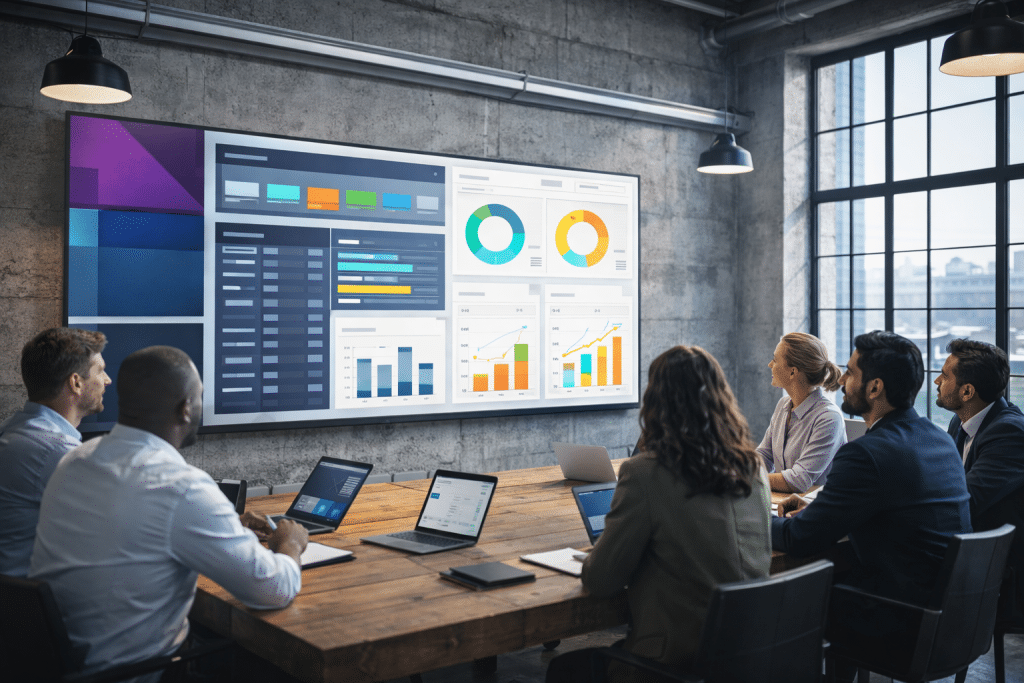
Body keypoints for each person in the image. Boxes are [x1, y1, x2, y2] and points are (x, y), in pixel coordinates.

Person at [30, 346, 308, 681]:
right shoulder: (182, 487)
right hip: (143, 673)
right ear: (186, 408)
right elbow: (273, 589)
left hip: (64, 666)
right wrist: (290, 544)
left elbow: (133, 529)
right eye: (201, 396)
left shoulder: (77, 460)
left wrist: (226, 525)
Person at [546, 346, 771, 682]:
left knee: (564, 669)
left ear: (656, 402)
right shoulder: (753, 466)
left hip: (677, 663)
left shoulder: (645, 473)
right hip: (748, 655)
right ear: (722, 398)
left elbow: (600, 580)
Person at [774, 330, 970, 605]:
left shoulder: (866, 454)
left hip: (894, 617)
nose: (840, 378)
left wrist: (751, 518)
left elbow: (799, 539)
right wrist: (816, 505)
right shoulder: (939, 439)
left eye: (851, 373)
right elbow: (890, 507)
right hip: (946, 614)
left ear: (874, 388)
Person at [0, 327, 110, 576]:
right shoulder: (56, 451)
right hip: (32, 606)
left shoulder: (12, 429)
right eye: (100, 370)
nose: (107, 380)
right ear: (76, 382)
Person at [935, 338, 1024, 609]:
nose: (937, 381)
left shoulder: (1009, 432)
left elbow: (965, 501)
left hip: (1001, 567)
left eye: (945, 375)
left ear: (967, 391)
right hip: (969, 545)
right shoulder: (960, 421)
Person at [757, 332, 846, 492]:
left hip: (815, 510)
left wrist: (748, 478)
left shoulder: (829, 418)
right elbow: (764, 455)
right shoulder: (783, 405)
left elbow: (798, 480)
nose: (770, 364)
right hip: (785, 504)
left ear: (792, 372)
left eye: (775, 360)